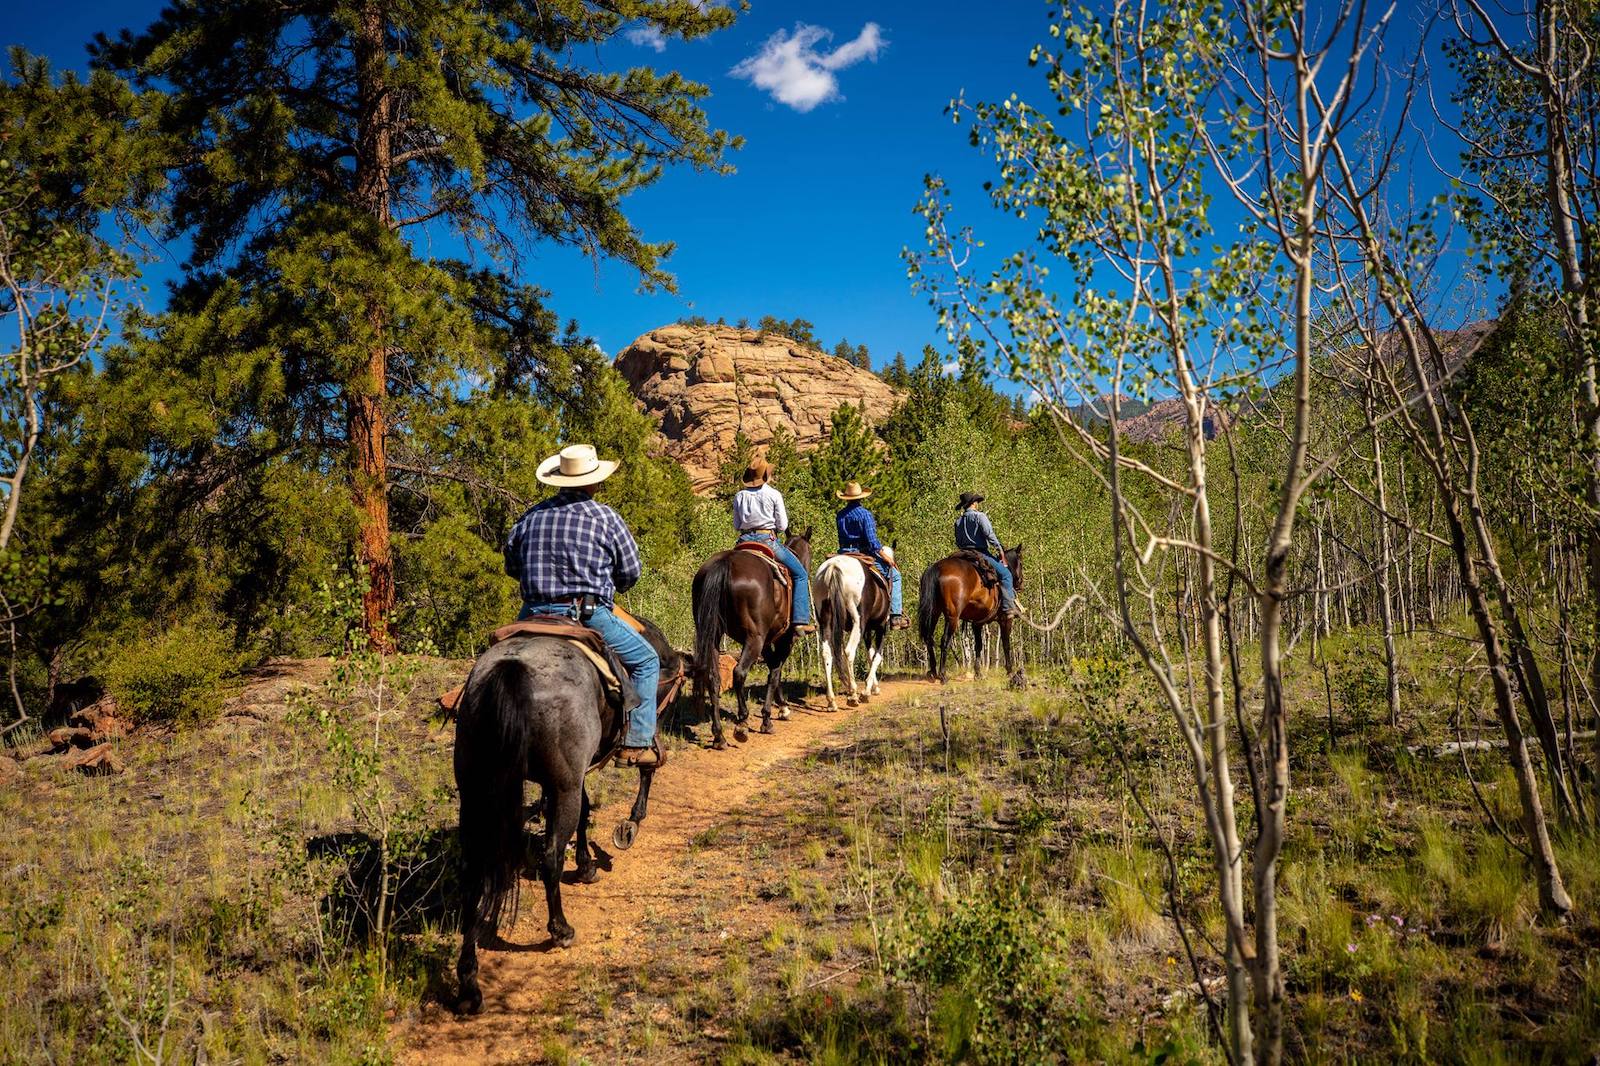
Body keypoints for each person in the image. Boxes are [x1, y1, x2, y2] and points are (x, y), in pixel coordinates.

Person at [505, 444, 662, 767]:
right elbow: (631, 572)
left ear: (559, 479)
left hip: (531, 614)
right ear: (594, 481)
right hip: (585, 616)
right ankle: (637, 742)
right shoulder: (605, 517)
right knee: (647, 660)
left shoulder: (530, 516)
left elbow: (511, 565)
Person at [730, 459, 814, 635]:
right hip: (767, 540)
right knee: (800, 574)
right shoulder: (773, 494)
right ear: (766, 475)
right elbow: (783, 526)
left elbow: (737, 525)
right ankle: (800, 620)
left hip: (744, 542)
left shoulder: (739, 496)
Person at [834, 481, 909, 629]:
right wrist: (886, 557)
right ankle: (895, 616)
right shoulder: (865, 514)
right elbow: (873, 542)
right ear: (861, 497)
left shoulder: (840, 515)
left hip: (843, 553)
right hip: (862, 553)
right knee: (895, 575)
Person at [954, 491, 1017, 618]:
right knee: (1006, 575)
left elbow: (958, 541)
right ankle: (1008, 608)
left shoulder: (958, 521)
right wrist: (999, 548)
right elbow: (989, 534)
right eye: (976, 501)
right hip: (980, 552)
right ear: (973, 503)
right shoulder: (980, 517)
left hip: (963, 553)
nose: (977, 504)